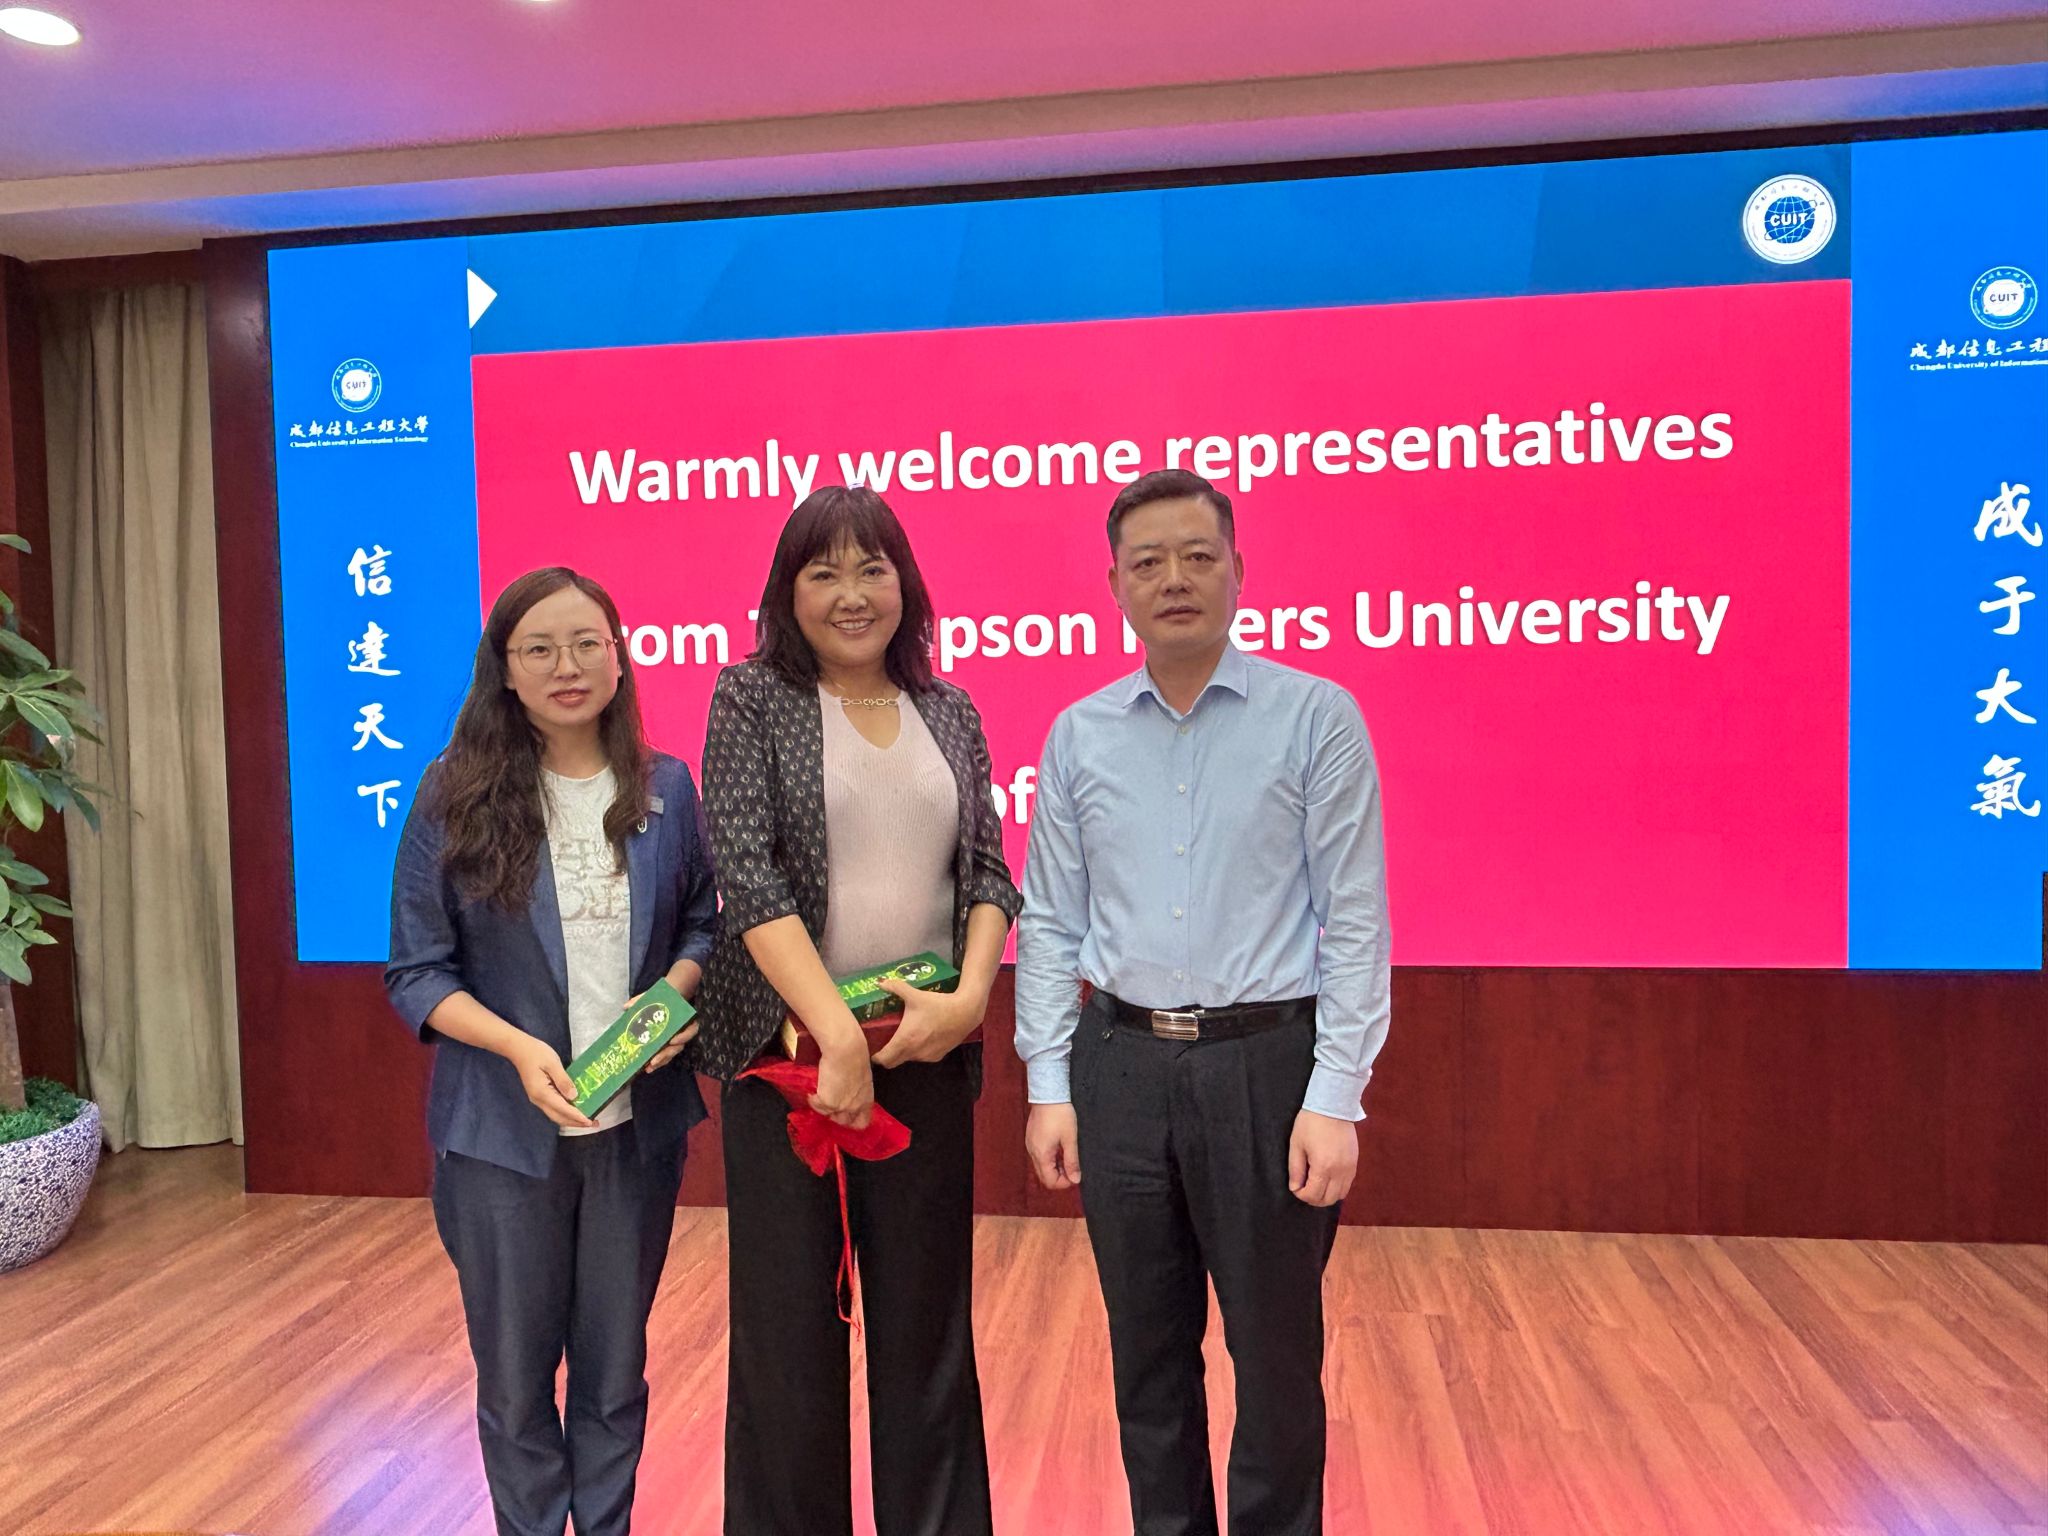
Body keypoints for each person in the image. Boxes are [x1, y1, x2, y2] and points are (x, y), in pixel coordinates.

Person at [1015, 469, 1391, 1536]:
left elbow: (1355, 919)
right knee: (1146, 1360)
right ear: (1114, 586)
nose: (1173, 579)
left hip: (1266, 1067)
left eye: (1196, 556)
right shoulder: (1079, 734)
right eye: (1147, 562)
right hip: (1120, 1066)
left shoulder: (1314, 718)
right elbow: (1050, 922)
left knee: (1274, 1362)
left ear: (1237, 571)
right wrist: (1048, 1083)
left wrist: (1336, 1096)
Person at [695, 485, 1022, 1536]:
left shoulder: (950, 709)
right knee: (789, 1344)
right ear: (786, 594)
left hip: (925, 1057)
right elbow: (748, 876)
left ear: (904, 585)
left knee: (928, 1337)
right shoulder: (751, 698)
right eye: (823, 572)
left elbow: (987, 872)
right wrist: (834, 1038)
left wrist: (970, 1001)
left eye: (872, 569)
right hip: (789, 1065)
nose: (851, 594)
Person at [385, 566, 717, 1536]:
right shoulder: (453, 793)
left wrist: (675, 994)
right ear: (505, 670)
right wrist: (516, 1047)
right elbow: (417, 971)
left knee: (615, 1374)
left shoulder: (666, 787)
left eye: (585, 644)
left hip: (634, 1136)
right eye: (539, 648)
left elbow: (702, 923)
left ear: (619, 657)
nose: (566, 666)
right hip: (501, 1140)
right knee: (516, 1380)